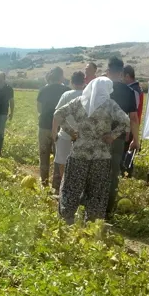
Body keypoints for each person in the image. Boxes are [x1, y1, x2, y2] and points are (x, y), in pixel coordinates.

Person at [53, 78, 130, 224]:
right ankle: (92, 225)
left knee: (72, 188)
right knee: (97, 191)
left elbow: (58, 114)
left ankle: (66, 221)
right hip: (101, 156)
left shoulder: (78, 101)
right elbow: (126, 121)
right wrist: (112, 136)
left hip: (79, 153)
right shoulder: (110, 104)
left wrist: (71, 131)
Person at [105, 57, 140, 216]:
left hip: (97, 137)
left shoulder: (99, 87)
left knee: (93, 169)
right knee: (113, 175)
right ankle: (108, 210)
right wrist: (135, 139)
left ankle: (90, 206)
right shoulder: (129, 91)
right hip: (117, 139)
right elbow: (133, 118)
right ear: (121, 72)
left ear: (108, 70)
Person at [50, 71, 87, 194]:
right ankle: (77, 190)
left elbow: (57, 115)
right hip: (83, 137)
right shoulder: (88, 96)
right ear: (84, 81)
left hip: (65, 135)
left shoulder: (66, 95)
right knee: (80, 165)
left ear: (71, 82)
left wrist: (54, 131)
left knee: (62, 163)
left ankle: (64, 188)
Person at [37, 67, 69, 186]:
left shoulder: (43, 90)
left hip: (44, 126)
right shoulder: (66, 91)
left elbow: (39, 109)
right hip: (60, 128)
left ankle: (44, 182)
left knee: (44, 154)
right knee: (59, 157)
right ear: (61, 77)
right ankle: (56, 184)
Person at [121, 64, 144, 177]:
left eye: (122, 76)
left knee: (127, 153)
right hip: (131, 126)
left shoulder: (132, 91)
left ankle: (126, 174)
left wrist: (129, 130)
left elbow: (132, 114)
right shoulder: (136, 89)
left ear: (127, 76)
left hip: (129, 127)